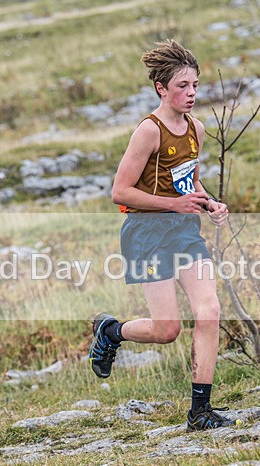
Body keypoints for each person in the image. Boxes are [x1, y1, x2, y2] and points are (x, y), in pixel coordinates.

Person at [88, 40, 240, 432]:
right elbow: (120, 192)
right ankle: (111, 330)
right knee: (166, 329)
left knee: (209, 312)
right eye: (182, 86)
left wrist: (210, 204)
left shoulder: (197, 130)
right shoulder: (148, 132)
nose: (191, 93)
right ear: (161, 88)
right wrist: (174, 205)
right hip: (146, 233)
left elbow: (189, 182)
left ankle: (200, 412)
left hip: (184, 232)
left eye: (194, 85)